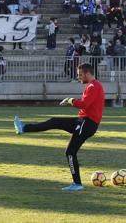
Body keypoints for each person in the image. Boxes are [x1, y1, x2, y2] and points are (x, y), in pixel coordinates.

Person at [14, 63, 104, 191]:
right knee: (54, 121)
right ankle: (23, 128)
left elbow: (85, 104)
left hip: (86, 124)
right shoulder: (92, 85)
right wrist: (70, 100)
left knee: (70, 152)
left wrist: (70, 100)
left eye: (80, 75)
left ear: (87, 73)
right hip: (82, 122)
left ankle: (77, 184)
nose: (78, 77)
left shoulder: (94, 86)